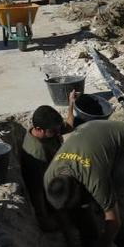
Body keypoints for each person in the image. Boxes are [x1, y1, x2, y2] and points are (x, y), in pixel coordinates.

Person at [44, 120, 124, 247]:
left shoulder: (95, 179)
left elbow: (113, 221)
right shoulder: (49, 178)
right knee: (78, 209)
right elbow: (61, 215)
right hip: (87, 132)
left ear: (79, 187)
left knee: (115, 199)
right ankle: (89, 243)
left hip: (123, 139)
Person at [20, 92, 76, 230]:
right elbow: (37, 191)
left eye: (57, 129)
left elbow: (68, 126)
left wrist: (71, 103)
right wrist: (43, 218)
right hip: (51, 189)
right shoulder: (36, 154)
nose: (58, 133)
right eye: (54, 131)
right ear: (39, 129)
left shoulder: (49, 131)